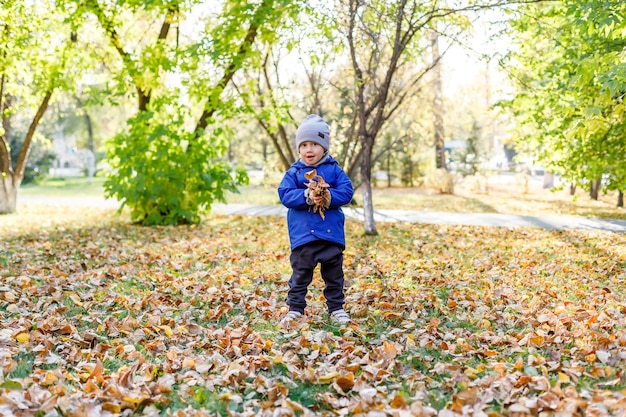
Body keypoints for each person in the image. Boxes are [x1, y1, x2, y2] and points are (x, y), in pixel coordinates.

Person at [277, 114, 354, 325]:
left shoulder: (333, 170)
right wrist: (306, 196)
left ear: (324, 147)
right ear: (298, 149)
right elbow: (284, 194)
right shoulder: (295, 173)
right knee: (300, 275)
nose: (308, 149)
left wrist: (328, 196)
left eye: (314, 144)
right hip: (304, 236)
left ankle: (336, 308)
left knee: (334, 275)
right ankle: (295, 308)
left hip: (330, 235)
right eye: (303, 145)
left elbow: (347, 191)